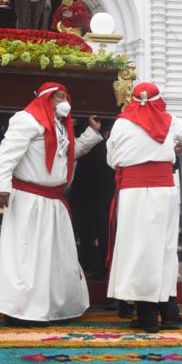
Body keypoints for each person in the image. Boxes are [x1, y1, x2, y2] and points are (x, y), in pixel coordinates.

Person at [0, 82, 102, 323]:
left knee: (56, 258)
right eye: (59, 97)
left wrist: (92, 133)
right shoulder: (27, 120)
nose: (65, 102)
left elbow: (68, 154)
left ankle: (55, 307)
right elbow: (8, 153)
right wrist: (1, 186)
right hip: (29, 201)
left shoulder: (61, 126)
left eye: (66, 97)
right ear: (46, 98)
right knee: (26, 256)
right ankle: (20, 310)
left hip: (53, 202)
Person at [106, 82, 182, 331]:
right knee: (165, 249)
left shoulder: (121, 123)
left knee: (138, 250)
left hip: (133, 192)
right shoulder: (167, 120)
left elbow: (111, 159)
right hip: (164, 192)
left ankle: (147, 315)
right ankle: (169, 311)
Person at [69, 119, 115, 280]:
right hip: (83, 189)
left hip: (105, 190)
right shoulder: (77, 130)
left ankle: (104, 266)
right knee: (84, 232)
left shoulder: (115, 136)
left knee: (104, 233)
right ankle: (86, 264)